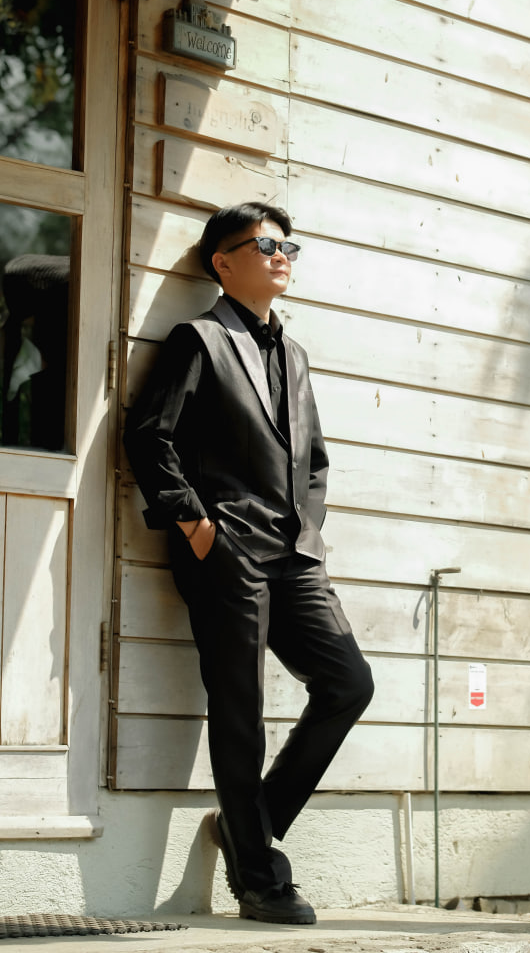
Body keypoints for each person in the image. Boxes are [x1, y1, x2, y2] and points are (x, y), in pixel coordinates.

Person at [124, 202, 374, 925]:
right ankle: (260, 881)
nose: (281, 255)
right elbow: (150, 438)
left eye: (288, 245)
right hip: (226, 552)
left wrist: (310, 532)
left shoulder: (293, 353)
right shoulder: (199, 339)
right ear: (223, 262)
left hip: (295, 556)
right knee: (240, 712)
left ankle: (246, 828)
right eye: (265, 245)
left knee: (348, 684)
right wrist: (201, 529)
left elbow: (313, 460)